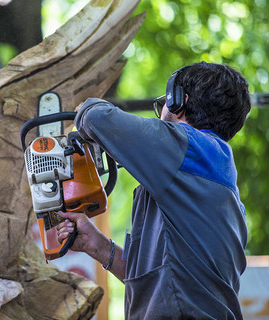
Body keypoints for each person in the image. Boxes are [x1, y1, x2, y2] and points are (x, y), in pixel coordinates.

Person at [57, 62, 251, 319]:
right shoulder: (207, 179)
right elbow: (158, 282)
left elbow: (97, 117)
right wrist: (98, 246)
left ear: (178, 101)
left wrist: (84, 109)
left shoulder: (190, 149)